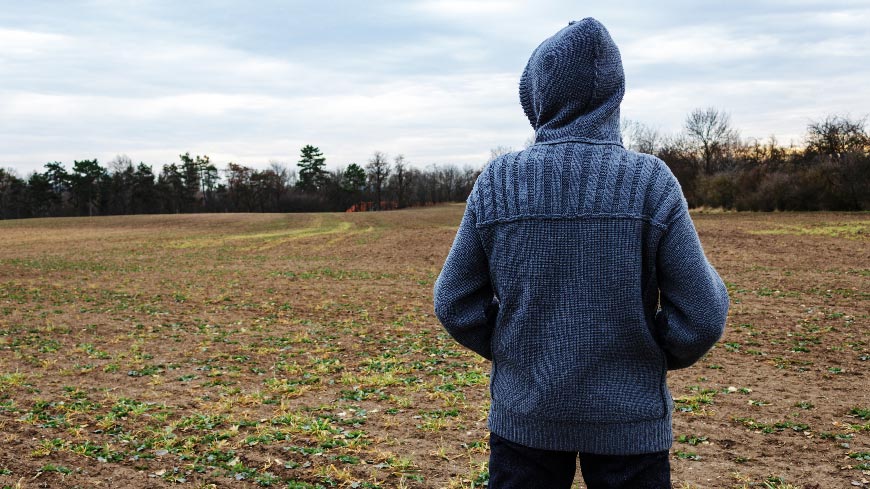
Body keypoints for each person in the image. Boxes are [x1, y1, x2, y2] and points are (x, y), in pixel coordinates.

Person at [433, 18, 729, 489]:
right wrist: (645, 352)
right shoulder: (651, 183)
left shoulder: (498, 181)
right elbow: (703, 314)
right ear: (615, 95)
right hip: (630, 423)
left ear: (537, 94)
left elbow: (453, 301)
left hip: (525, 413)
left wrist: (515, 348)